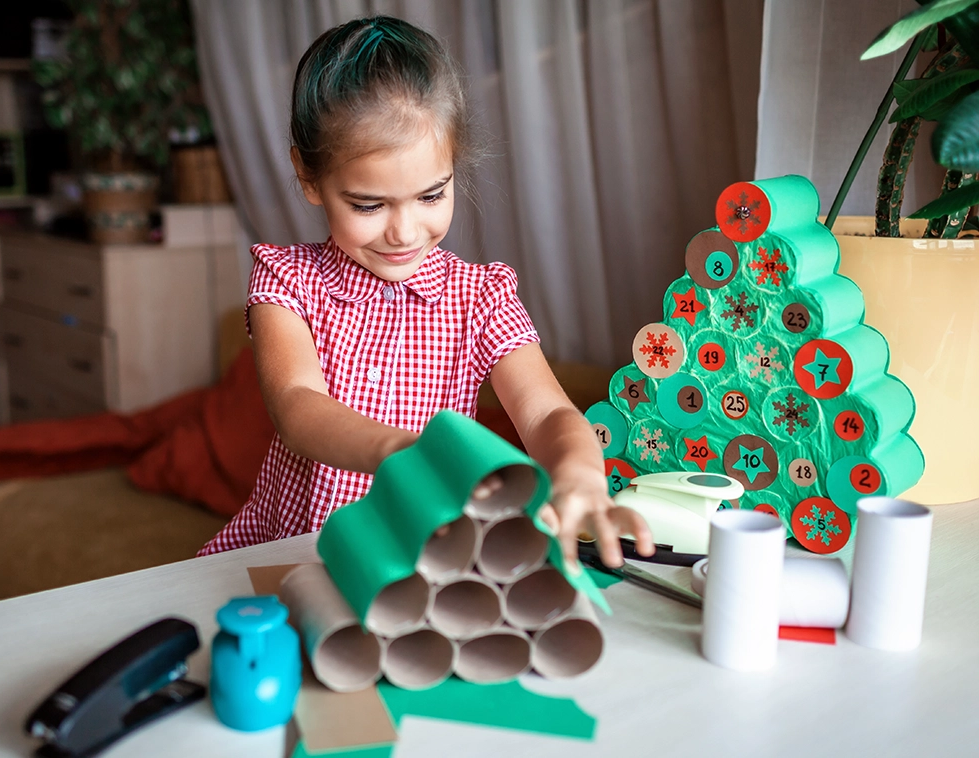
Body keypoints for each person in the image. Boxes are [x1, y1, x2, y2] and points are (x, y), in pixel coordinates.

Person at [198, 15, 653, 569]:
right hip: (294, 557)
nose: (405, 232)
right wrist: (405, 452)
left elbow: (545, 414)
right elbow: (297, 407)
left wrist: (580, 474)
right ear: (308, 176)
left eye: (432, 196)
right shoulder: (287, 279)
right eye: (369, 205)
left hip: (419, 559)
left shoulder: (481, 296)